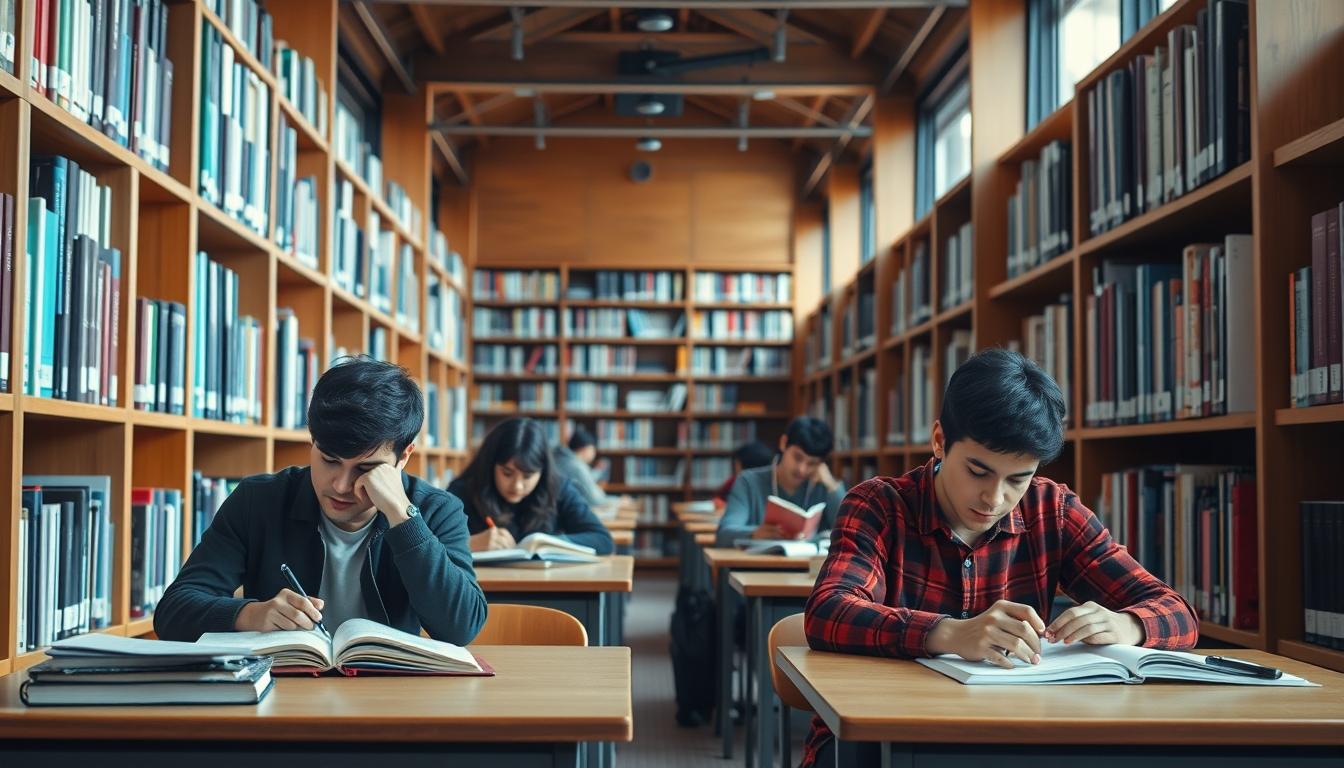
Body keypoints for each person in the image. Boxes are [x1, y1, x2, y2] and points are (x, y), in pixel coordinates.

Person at [801, 349, 1199, 766]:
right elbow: (827, 612)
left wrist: (1127, 623)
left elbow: (1179, 614)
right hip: (880, 734)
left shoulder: (1053, 510)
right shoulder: (879, 505)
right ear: (939, 441)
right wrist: (950, 634)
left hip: (1007, 735)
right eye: (978, 472)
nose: (995, 498)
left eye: (1017, 479)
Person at [155, 357, 487, 646]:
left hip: (390, 696)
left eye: (366, 468)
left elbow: (460, 628)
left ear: (404, 457)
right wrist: (249, 614)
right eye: (328, 459)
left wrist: (403, 517)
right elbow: (173, 611)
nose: (341, 486)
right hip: (281, 692)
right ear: (312, 442)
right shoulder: (258, 501)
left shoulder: (436, 510)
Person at [451, 417, 615, 554]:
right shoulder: (463, 491)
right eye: (507, 473)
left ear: (542, 471)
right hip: (482, 590)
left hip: (546, 590)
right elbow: (428, 548)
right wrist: (469, 544)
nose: (517, 486)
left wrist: (549, 544)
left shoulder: (558, 488)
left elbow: (602, 540)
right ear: (490, 465)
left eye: (528, 476)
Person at [714, 417, 846, 548]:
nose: (802, 469)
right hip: (757, 567)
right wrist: (755, 533)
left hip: (808, 567)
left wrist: (832, 485)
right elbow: (723, 534)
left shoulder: (824, 487)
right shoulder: (748, 482)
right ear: (783, 443)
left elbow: (850, 531)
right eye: (797, 457)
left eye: (812, 463)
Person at [552, 425, 634, 515]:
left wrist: (598, 471)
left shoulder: (561, 459)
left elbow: (583, 482)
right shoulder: (576, 466)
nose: (594, 453)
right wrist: (619, 501)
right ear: (585, 449)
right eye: (593, 449)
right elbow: (596, 500)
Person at [712, 439, 776, 507]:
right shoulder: (734, 480)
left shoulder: (770, 485)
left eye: (737, 464)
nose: (735, 468)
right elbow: (718, 498)